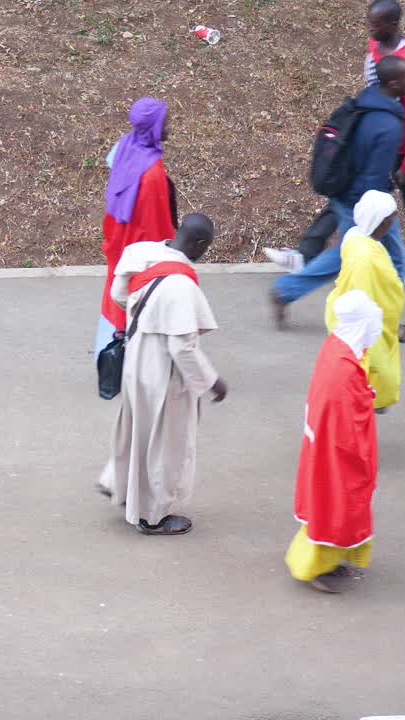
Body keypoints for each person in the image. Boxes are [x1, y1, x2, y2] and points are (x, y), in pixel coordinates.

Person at [266, 0, 405, 287]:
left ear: (393, 25)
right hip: (374, 138)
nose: (369, 27)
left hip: (397, 148)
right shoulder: (377, 44)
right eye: (369, 21)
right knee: (347, 195)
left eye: (375, 24)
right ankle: (306, 253)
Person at [270, 56, 405, 343]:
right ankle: (388, 323)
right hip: (363, 203)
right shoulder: (389, 126)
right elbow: (375, 181)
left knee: (343, 255)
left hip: (345, 193)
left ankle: (285, 290)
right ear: (393, 83)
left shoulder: (367, 102)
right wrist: (374, 214)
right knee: (396, 261)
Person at [98, 214, 228, 536]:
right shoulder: (181, 285)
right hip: (161, 368)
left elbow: (119, 292)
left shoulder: (140, 253)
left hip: (135, 355)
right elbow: (182, 348)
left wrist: (148, 314)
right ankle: (152, 516)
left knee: (135, 429)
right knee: (163, 442)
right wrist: (212, 381)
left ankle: (118, 483)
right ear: (200, 244)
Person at [286, 289, 383, 593]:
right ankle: (318, 566)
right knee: (335, 506)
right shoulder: (343, 367)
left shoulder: (338, 347)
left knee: (329, 504)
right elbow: (344, 421)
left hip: (326, 447)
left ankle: (330, 557)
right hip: (337, 453)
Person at [95, 97, 177, 355]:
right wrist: (169, 255)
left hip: (117, 239)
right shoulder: (151, 174)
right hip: (138, 247)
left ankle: (106, 351)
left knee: (114, 294)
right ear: (153, 127)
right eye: (165, 122)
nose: (170, 127)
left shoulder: (125, 146)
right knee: (136, 300)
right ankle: (130, 360)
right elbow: (156, 226)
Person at [323, 190, 405, 411]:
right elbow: (361, 296)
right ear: (379, 222)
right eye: (391, 217)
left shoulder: (355, 238)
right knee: (374, 377)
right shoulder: (366, 258)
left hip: (368, 323)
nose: (395, 220)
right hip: (364, 330)